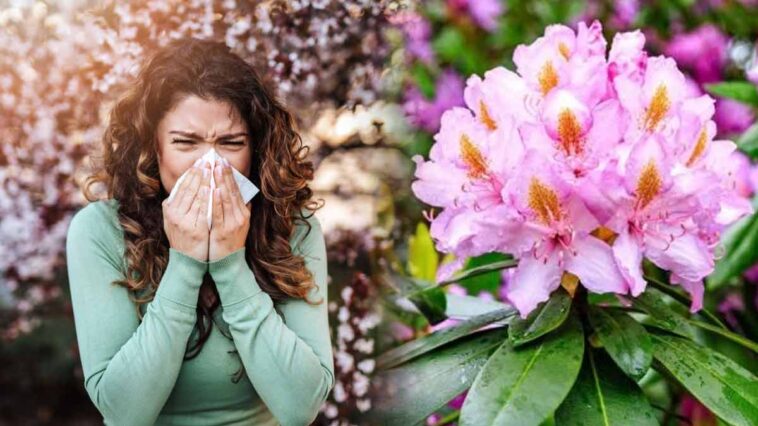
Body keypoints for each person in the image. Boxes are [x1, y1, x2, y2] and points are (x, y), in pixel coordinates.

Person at [65, 38, 334, 426]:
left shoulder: (295, 228)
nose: (210, 164)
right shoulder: (98, 232)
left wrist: (229, 264)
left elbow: (301, 407)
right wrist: (186, 263)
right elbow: (124, 412)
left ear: (256, 150)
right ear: (152, 149)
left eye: (230, 143)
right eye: (186, 143)